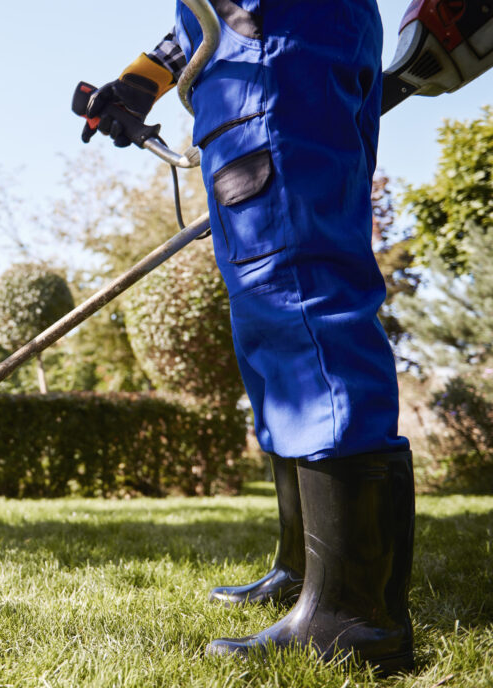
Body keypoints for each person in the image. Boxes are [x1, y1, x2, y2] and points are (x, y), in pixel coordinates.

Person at [82, 0, 415, 675]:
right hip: (252, 53)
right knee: (268, 320)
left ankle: (353, 612)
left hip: (276, 44)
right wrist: (143, 77)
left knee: (296, 290)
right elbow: (199, 20)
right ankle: (305, 572)